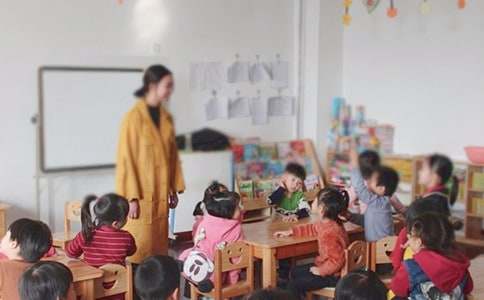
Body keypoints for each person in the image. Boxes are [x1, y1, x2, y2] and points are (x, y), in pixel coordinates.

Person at [116, 64, 185, 263]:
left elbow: (172, 155)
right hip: (140, 196)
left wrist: (173, 187)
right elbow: (126, 158)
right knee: (139, 251)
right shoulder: (133, 118)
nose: (171, 91)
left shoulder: (166, 117)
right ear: (153, 85)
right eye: (168, 85)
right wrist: (130, 198)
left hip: (161, 193)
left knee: (158, 252)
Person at [274, 187, 350, 299]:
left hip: (332, 275)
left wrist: (321, 271)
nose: (312, 202)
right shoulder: (330, 223)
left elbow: (337, 260)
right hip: (328, 268)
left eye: (315, 200)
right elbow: (313, 228)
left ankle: (297, 294)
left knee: (294, 285)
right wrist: (291, 232)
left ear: (321, 208)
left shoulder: (330, 233)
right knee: (294, 271)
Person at [388, 213, 473, 299]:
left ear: (418, 242)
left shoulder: (410, 267)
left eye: (409, 237)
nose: (408, 241)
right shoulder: (459, 261)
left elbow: (397, 289)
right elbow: (468, 288)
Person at [179, 190, 244, 293]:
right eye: (238, 208)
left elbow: (197, 244)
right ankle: (209, 282)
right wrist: (232, 281)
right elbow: (236, 257)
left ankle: (182, 265)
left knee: (188, 252)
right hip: (215, 268)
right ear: (227, 211)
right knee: (218, 269)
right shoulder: (236, 229)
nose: (241, 209)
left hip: (197, 258)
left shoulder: (206, 221)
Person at [0, 218, 68, 300]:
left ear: (13, 244)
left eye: (6, 235)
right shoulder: (44, 270)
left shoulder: (2, 268)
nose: (1, 239)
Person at [66, 193, 136, 267]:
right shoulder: (127, 237)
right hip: (118, 278)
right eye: (125, 216)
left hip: (92, 277)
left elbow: (70, 253)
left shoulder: (86, 234)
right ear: (115, 223)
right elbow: (131, 252)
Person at [349, 146, 399, 242]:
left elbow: (361, 190)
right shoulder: (378, 204)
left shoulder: (380, 203)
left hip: (382, 250)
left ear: (381, 189)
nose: (368, 183)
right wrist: (350, 216)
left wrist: (355, 166)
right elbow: (367, 221)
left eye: (372, 181)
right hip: (377, 247)